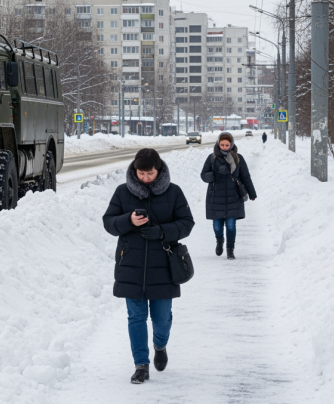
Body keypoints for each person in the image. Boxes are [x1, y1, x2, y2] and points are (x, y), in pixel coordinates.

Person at [103, 149, 195, 384]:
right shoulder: (122, 192)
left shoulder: (174, 192)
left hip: (164, 266)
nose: (145, 177)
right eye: (141, 173)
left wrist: (162, 231)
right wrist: (128, 221)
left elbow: (187, 223)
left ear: (159, 170)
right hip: (130, 265)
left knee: (162, 318)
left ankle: (160, 345)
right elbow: (109, 223)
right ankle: (141, 365)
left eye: (150, 173)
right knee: (136, 316)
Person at [201, 132, 257, 260]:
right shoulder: (212, 158)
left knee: (231, 225)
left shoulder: (238, 158)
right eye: (222, 145)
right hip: (216, 197)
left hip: (234, 196)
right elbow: (203, 175)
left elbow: (246, 177)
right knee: (217, 226)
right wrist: (214, 175)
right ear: (218, 144)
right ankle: (219, 241)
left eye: (227, 145)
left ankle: (230, 249)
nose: (225, 147)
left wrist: (252, 193)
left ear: (231, 144)